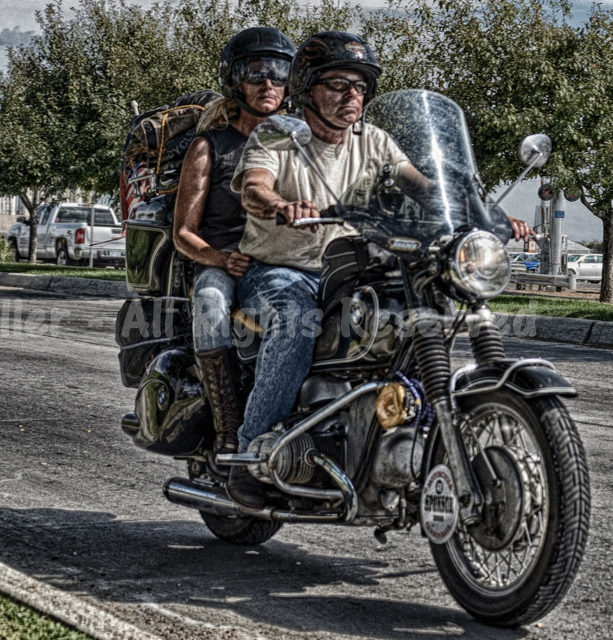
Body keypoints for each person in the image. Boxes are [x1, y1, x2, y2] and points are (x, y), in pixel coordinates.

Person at [225, 32, 533, 509]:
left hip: (350, 269)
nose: (353, 96)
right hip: (281, 270)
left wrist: (482, 214)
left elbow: (425, 187)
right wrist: (283, 205)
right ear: (308, 88)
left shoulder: (375, 141)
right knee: (295, 327)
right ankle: (251, 453)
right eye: (339, 85)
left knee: (414, 319)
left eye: (361, 86)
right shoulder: (278, 134)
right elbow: (254, 188)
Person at [173, 27, 297, 456]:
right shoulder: (211, 146)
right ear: (235, 80)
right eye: (256, 72)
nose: (269, 83)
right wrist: (220, 260)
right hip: (224, 261)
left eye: (279, 74)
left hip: (279, 260)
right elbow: (183, 233)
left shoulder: (294, 145)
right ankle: (228, 424)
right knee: (210, 303)